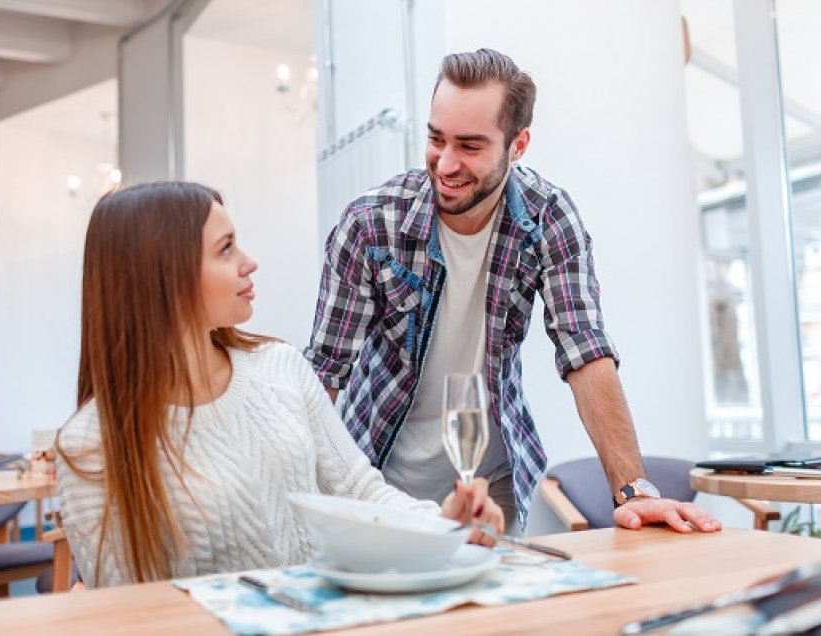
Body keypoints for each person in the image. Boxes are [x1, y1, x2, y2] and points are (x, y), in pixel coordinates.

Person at [304, 48, 720, 535]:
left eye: (471, 146)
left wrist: (634, 491)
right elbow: (324, 372)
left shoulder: (548, 218)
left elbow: (585, 352)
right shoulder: (371, 225)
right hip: (378, 476)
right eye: (436, 139)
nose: (446, 162)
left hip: (490, 484)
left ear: (517, 145)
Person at [55, 182, 503, 589]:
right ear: (164, 277)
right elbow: (125, 615)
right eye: (226, 249)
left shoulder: (281, 368)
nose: (249, 262)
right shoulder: (90, 445)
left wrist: (445, 527)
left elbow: (361, 492)